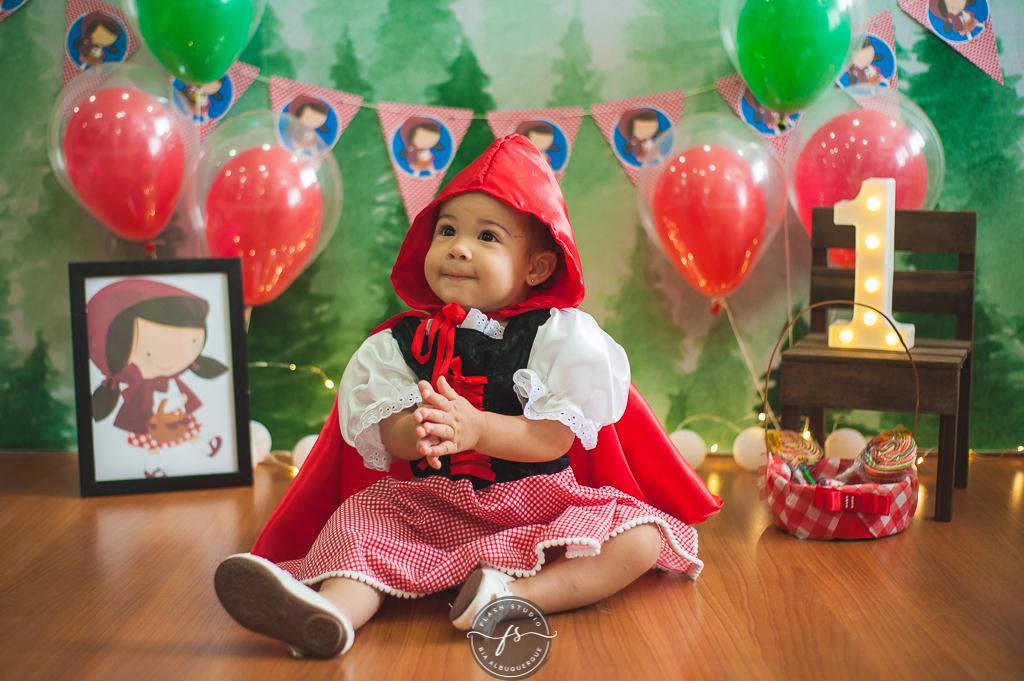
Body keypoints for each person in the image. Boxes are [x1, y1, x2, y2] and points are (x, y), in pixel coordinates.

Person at [214, 135, 722, 659]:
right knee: (359, 524)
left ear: (537, 268)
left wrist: (479, 429)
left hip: (533, 508)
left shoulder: (558, 339)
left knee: (640, 538)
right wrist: (415, 432)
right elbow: (389, 438)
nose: (459, 247)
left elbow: (552, 440)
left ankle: (509, 596)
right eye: (448, 231)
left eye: (487, 236)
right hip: (425, 505)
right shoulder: (398, 344)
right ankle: (331, 614)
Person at [88, 280, 227, 478]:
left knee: (190, 432)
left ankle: (207, 449)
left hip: (175, 415)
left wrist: (181, 401)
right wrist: (178, 401)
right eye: (149, 353)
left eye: (191, 342)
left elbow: (176, 395)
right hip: (153, 419)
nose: (168, 359)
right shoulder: (140, 389)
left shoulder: (170, 381)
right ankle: (151, 470)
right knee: (154, 446)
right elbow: (155, 402)